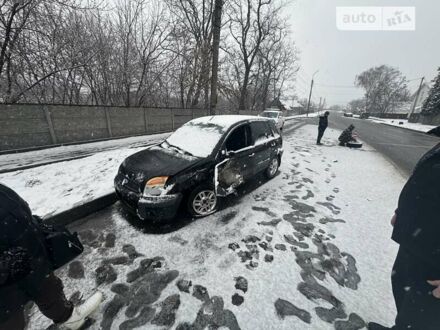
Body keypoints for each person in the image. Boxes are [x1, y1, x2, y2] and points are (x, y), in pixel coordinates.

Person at [0, 183, 102, 330]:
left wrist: (34, 224)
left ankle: (72, 319)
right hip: (6, 288)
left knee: (51, 293)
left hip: (35, 260)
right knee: (11, 322)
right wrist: (6, 266)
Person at [368, 143, 440, 330]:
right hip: (416, 240)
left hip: (434, 259)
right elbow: (423, 181)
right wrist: (401, 211)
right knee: (403, 289)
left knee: (422, 314)